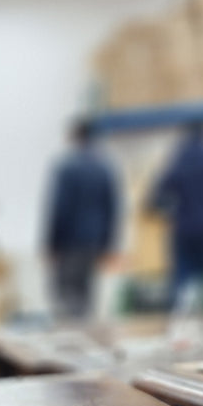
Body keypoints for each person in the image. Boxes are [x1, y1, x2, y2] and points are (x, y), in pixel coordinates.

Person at [44, 119, 120, 320]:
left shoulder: (66, 167)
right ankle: (85, 338)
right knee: (86, 298)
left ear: (74, 135)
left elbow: (60, 208)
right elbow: (112, 209)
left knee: (66, 297)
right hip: (93, 241)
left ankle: (68, 343)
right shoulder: (104, 167)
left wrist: (51, 243)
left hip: (69, 241)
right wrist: (108, 244)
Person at [149, 122, 203, 308]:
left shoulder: (180, 158)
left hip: (183, 224)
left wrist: (163, 210)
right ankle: (200, 308)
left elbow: (160, 190)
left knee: (183, 270)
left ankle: (182, 309)